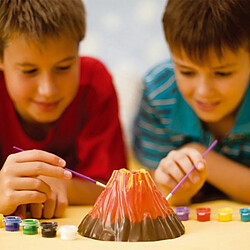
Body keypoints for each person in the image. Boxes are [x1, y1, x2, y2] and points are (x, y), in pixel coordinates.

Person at [0, 0, 127, 219]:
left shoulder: (95, 84)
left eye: (63, 67)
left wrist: (61, 186)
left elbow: (111, 186)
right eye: (29, 71)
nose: (47, 90)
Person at [133, 0, 250, 205]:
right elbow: (154, 186)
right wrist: (175, 189)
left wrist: (202, 158)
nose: (204, 91)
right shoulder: (158, 93)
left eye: (222, 73)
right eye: (186, 71)